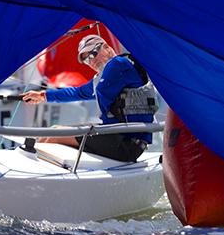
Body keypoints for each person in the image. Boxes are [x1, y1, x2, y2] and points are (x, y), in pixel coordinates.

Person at [22, 35, 159, 162]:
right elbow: (79, 92)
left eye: (93, 54)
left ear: (106, 47)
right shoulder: (104, 76)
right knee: (54, 129)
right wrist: (43, 96)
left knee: (54, 136)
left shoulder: (118, 63)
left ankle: (35, 175)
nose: (91, 61)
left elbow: (99, 90)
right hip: (115, 135)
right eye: (86, 59)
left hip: (126, 143)